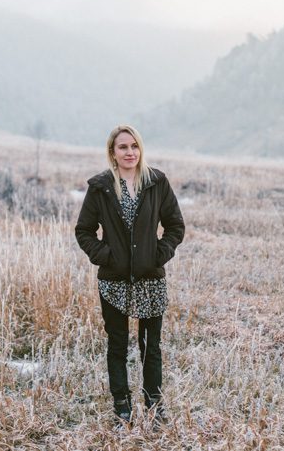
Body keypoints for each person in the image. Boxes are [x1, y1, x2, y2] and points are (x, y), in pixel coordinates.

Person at [74, 124, 185, 425]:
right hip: (114, 280)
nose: (130, 152)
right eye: (123, 147)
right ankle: (121, 405)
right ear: (113, 152)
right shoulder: (100, 187)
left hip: (151, 278)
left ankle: (154, 404)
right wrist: (106, 257)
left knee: (151, 345)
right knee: (117, 344)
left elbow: (175, 225)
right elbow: (84, 231)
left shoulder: (156, 182)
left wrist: (158, 254)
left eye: (134, 146)